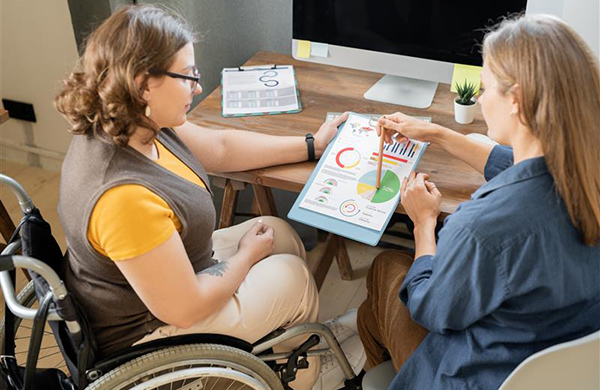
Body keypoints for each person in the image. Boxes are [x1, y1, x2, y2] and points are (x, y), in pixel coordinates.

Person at [54, 5, 360, 389]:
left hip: (175, 273)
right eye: (187, 76)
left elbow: (219, 146)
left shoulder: (132, 120)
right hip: (149, 333)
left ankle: (299, 338)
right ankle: (307, 377)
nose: (197, 87)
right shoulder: (122, 197)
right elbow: (187, 308)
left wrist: (311, 144)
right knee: (294, 276)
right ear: (143, 82)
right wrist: (247, 255)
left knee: (279, 232)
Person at [357, 14, 600, 389]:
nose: (481, 99)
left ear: (515, 100)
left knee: (387, 267)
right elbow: (519, 166)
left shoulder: (481, 229)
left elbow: (431, 310)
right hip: (556, 364)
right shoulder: (586, 173)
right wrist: (435, 133)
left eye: (485, 89)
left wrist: (423, 224)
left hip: (474, 373)